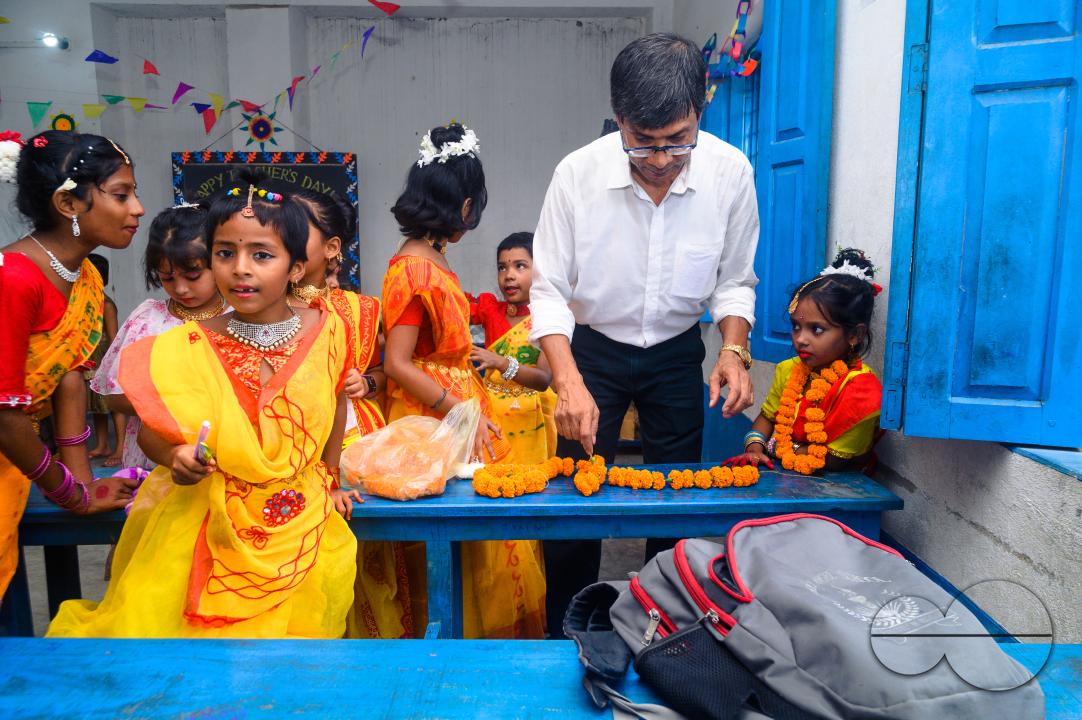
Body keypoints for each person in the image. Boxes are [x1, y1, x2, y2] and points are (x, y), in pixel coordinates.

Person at [47, 176, 357, 637]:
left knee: (293, 666)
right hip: (206, 520)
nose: (240, 269)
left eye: (262, 255)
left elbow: (333, 405)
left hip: (301, 519)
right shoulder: (187, 345)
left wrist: (330, 478)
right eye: (225, 253)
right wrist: (174, 456)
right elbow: (155, 429)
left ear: (295, 268)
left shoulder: (329, 328)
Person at [528, 33, 761, 635]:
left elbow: (735, 281)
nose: (660, 159)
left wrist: (732, 350)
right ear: (620, 119)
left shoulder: (730, 173)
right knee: (576, 498)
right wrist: (568, 381)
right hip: (593, 353)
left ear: (700, 110)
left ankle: (665, 632)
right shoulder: (576, 175)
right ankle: (568, 632)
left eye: (678, 141)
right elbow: (548, 290)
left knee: (675, 498)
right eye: (643, 143)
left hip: (677, 352)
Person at [0, 131, 142, 597]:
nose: (137, 208)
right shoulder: (15, 278)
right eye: (121, 195)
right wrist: (68, 492)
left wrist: (83, 485)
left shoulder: (81, 278)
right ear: (68, 205)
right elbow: (4, 418)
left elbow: (69, 381)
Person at [381, 122, 506, 633]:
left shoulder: (433, 259)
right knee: (445, 536)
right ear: (461, 206)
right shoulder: (413, 269)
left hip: (451, 404)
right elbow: (398, 362)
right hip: (430, 417)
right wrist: (458, 410)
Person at [285, 187, 414, 640]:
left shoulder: (360, 310)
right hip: (289, 444)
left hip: (357, 443)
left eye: (297, 227)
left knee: (367, 559)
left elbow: (384, 369)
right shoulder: (266, 304)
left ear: (332, 248)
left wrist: (369, 382)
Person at [90, 202, 227, 471]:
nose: (181, 288)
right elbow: (114, 395)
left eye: (193, 275)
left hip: (225, 450)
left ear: (220, 261)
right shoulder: (147, 320)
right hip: (154, 454)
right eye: (167, 277)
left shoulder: (242, 317)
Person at [463, 231, 552, 638]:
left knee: (527, 520)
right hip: (494, 426)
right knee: (494, 526)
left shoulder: (547, 317)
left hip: (531, 429)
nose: (509, 275)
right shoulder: (491, 310)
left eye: (520, 265)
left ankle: (528, 618)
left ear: (539, 269)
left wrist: (501, 362)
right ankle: (496, 619)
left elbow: (545, 377)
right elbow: (454, 306)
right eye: (502, 267)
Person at [725, 249, 883, 475]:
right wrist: (754, 448)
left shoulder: (861, 390)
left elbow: (833, 460)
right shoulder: (789, 369)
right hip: (782, 476)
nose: (800, 339)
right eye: (796, 327)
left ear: (854, 335)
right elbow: (766, 419)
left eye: (816, 330)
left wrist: (776, 445)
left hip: (838, 492)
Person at [83, 253, 126, 466]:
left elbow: (114, 337)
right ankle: (102, 445)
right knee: (97, 406)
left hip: (105, 364)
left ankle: (120, 448)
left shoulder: (106, 304)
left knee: (113, 406)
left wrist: (111, 368)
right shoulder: (86, 302)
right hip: (91, 363)